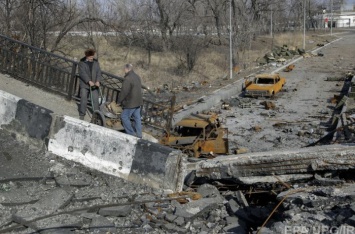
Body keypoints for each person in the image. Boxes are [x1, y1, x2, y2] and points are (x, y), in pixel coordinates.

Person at [117, 64, 143, 138]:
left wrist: (119, 101)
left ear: (127, 69)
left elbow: (124, 92)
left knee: (124, 116)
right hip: (138, 101)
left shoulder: (128, 78)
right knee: (137, 118)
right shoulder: (137, 76)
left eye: (124, 69)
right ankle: (139, 134)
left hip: (131, 102)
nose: (124, 71)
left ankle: (131, 134)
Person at [78, 49, 102, 120]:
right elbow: (82, 73)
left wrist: (98, 81)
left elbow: (99, 72)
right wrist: (88, 81)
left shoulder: (96, 63)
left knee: (95, 100)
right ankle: (82, 114)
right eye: (90, 56)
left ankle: (96, 115)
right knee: (84, 99)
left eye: (92, 56)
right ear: (86, 56)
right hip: (85, 84)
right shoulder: (81, 63)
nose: (92, 58)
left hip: (94, 84)